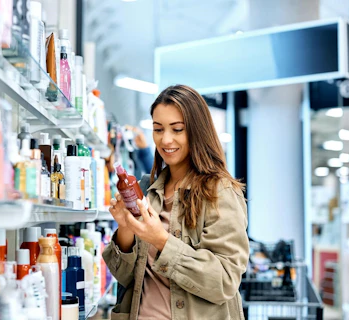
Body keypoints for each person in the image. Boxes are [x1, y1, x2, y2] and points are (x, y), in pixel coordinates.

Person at [103, 84, 249, 320]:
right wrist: (126, 227)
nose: (166, 139)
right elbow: (126, 278)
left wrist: (160, 239)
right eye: (158, 129)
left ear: (197, 130)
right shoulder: (146, 190)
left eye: (177, 129)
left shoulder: (219, 192)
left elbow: (225, 281)